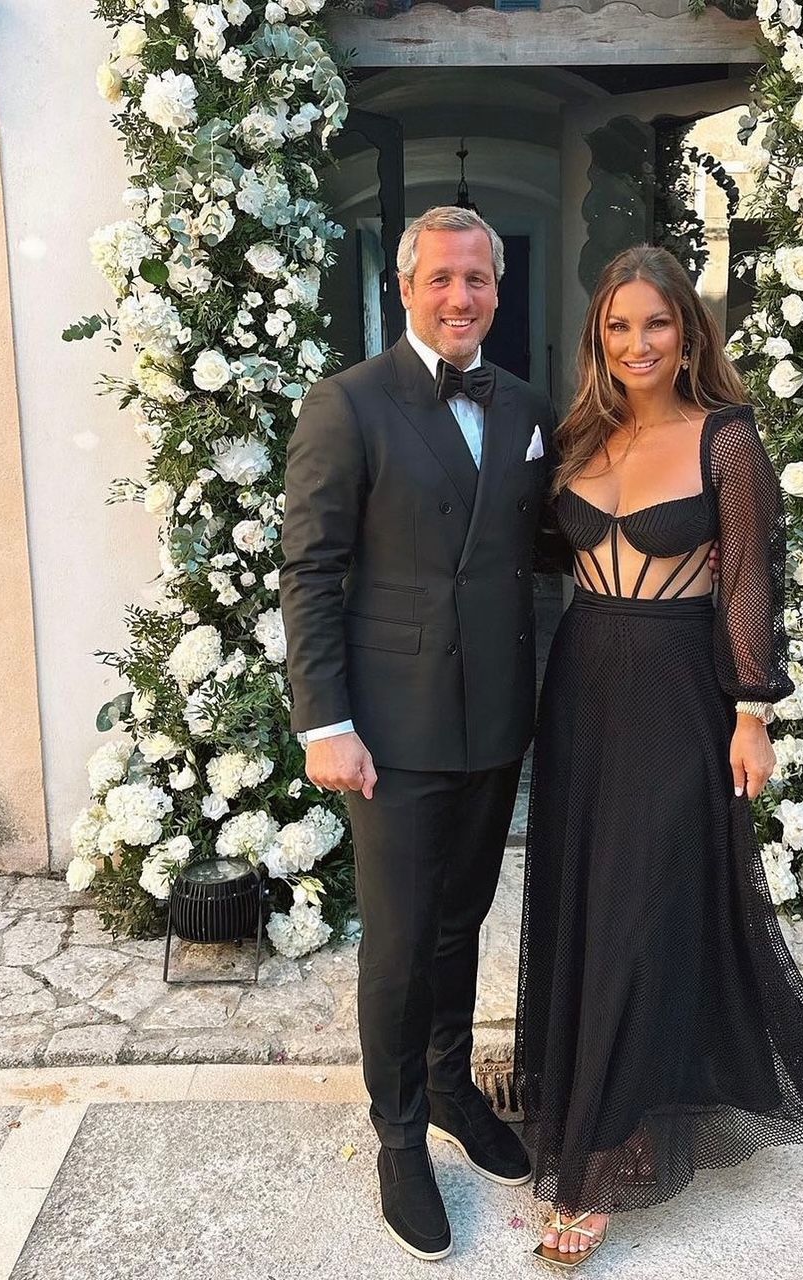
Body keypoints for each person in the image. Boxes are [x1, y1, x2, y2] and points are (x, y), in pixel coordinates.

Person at [515, 245, 803, 1267]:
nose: (637, 344)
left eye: (656, 324)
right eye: (618, 326)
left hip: (679, 690)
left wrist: (751, 713)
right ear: (599, 337)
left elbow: (750, 579)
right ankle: (601, 1096)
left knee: (643, 904)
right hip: (581, 684)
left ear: (688, 334)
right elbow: (538, 548)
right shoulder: (578, 435)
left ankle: (596, 1158)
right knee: (587, 900)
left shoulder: (727, 439)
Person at [280, 206, 560, 1261]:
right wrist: (327, 722)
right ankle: (398, 1133)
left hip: (493, 718)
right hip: (390, 731)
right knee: (399, 942)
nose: (459, 296)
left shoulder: (526, 404)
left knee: (461, 921)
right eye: (440, 277)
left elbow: (546, 540)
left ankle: (449, 1085)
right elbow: (310, 570)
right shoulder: (349, 402)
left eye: (476, 278)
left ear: (497, 288)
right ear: (404, 286)